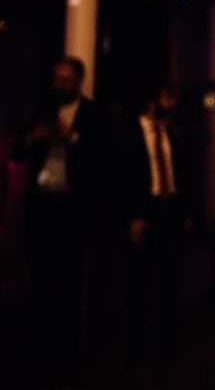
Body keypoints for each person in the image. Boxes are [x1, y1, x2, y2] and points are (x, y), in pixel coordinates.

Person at [12, 56, 107, 373]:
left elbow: (104, 158)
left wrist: (74, 139)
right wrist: (30, 139)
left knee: (71, 280)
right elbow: (16, 152)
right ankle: (41, 346)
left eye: (67, 80)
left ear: (78, 81)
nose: (61, 85)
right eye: (57, 79)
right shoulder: (40, 110)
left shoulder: (92, 114)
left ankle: (68, 351)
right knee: (41, 279)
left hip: (73, 210)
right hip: (41, 206)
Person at [119, 83, 190, 361]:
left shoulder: (172, 131)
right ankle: (137, 344)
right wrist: (132, 216)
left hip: (168, 209)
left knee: (170, 279)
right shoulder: (130, 133)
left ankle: (166, 343)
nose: (172, 104)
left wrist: (183, 211)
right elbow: (122, 177)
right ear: (152, 102)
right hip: (144, 209)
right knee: (138, 280)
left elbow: (182, 171)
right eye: (167, 97)